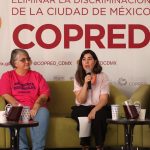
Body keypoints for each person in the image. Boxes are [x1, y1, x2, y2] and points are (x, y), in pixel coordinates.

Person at [0, 49, 50, 150]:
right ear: (15, 63)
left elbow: (45, 94)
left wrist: (36, 106)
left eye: (28, 59)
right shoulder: (7, 76)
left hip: (37, 108)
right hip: (17, 107)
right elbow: (5, 94)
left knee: (44, 112)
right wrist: (18, 105)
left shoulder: (37, 76)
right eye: (23, 60)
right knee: (13, 114)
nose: (27, 62)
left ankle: (38, 148)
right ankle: (22, 148)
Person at [71, 50, 110, 150]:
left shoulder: (103, 76)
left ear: (95, 61)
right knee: (83, 116)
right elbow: (81, 100)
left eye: (89, 59)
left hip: (98, 106)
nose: (86, 62)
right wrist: (85, 83)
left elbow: (104, 99)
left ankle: (99, 146)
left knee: (100, 116)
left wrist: (94, 110)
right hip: (82, 107)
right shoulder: (78, 76)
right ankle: (85, 146)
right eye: (83, 59)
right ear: (81, 62)